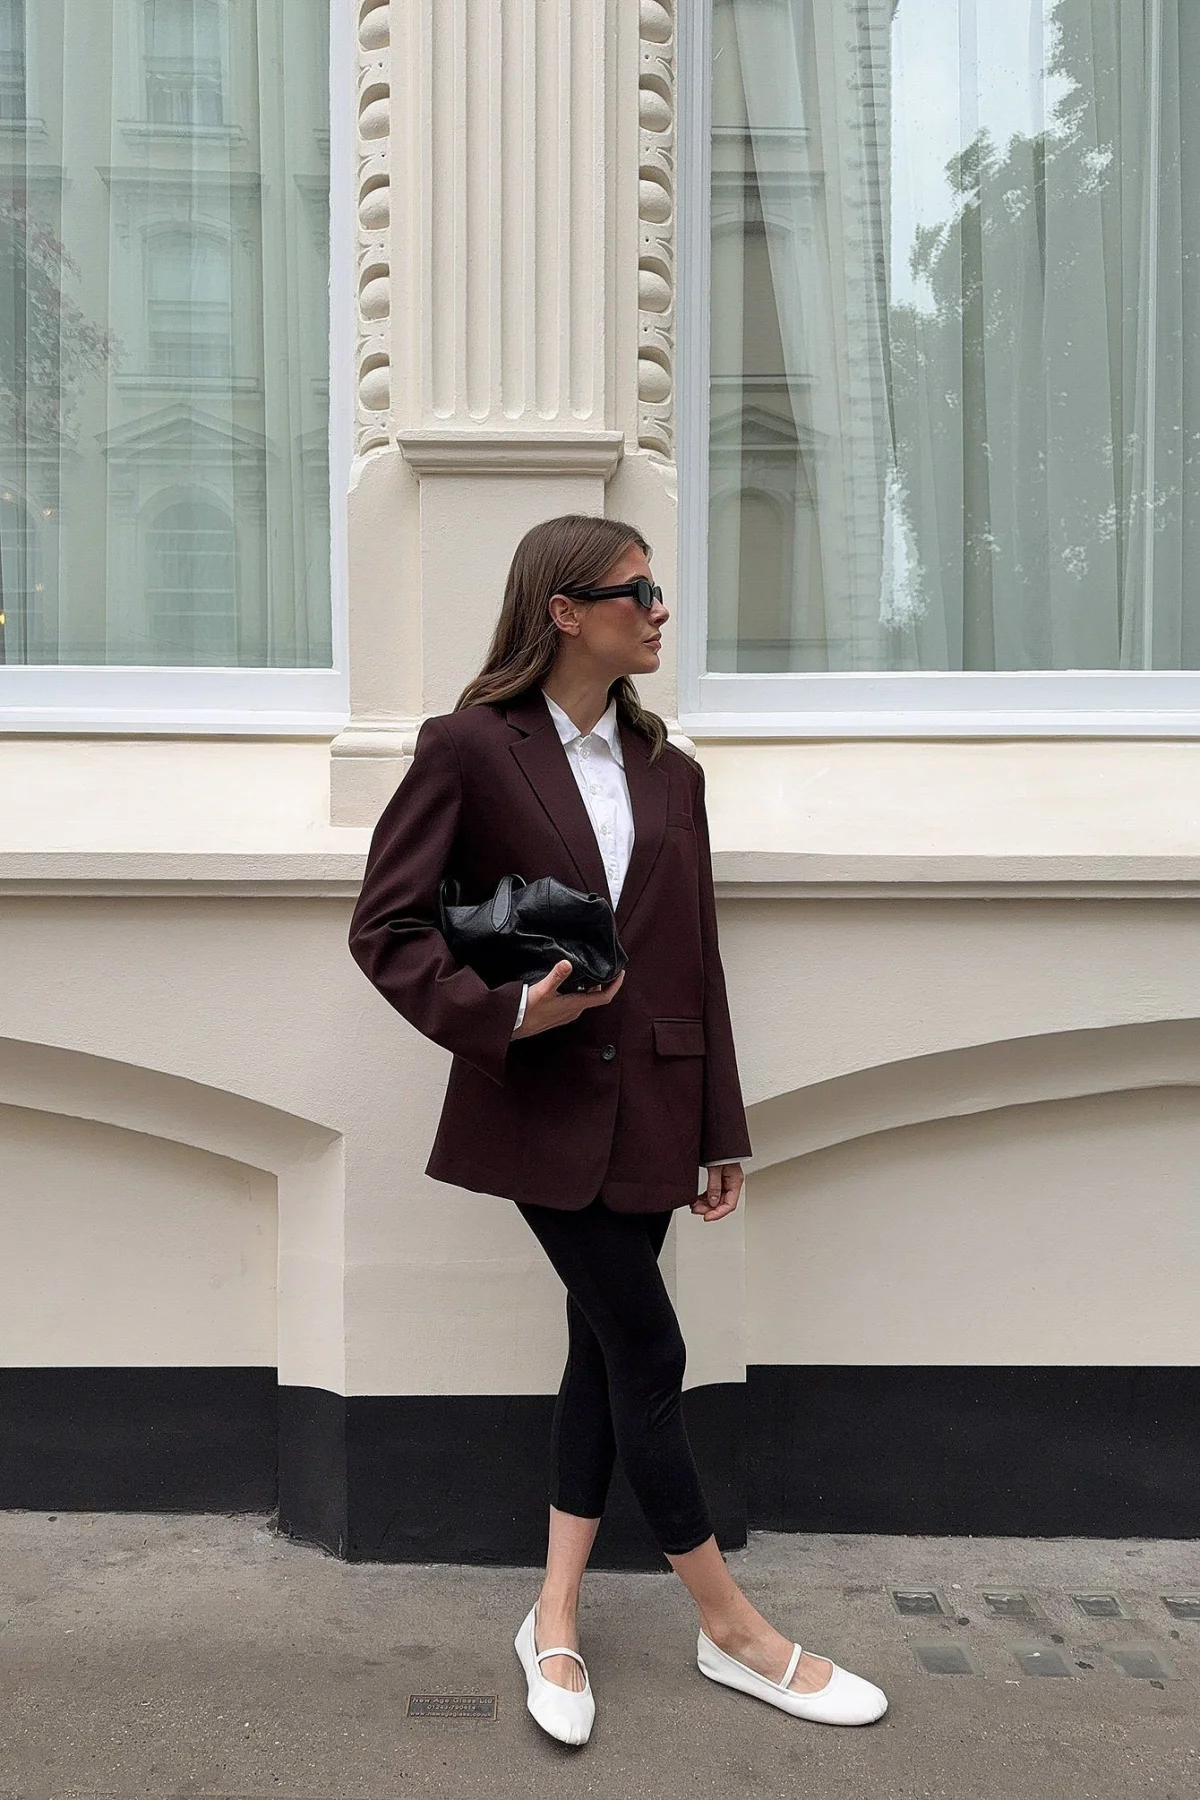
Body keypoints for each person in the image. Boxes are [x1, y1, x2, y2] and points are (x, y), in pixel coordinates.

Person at [347, 514, 888, 1746]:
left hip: (657, 1105)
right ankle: (732, 1629)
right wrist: (506, 1011)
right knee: (649, 1348)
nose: (659, 611)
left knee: (600, 1354)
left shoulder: (670, 771)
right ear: (564, 609)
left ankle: (553, 1615)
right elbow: (387, 926)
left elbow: (698, 957)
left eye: (656, 591)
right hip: (538, 1107)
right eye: (636, 592)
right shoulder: (468, 748)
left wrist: (718, 1127)